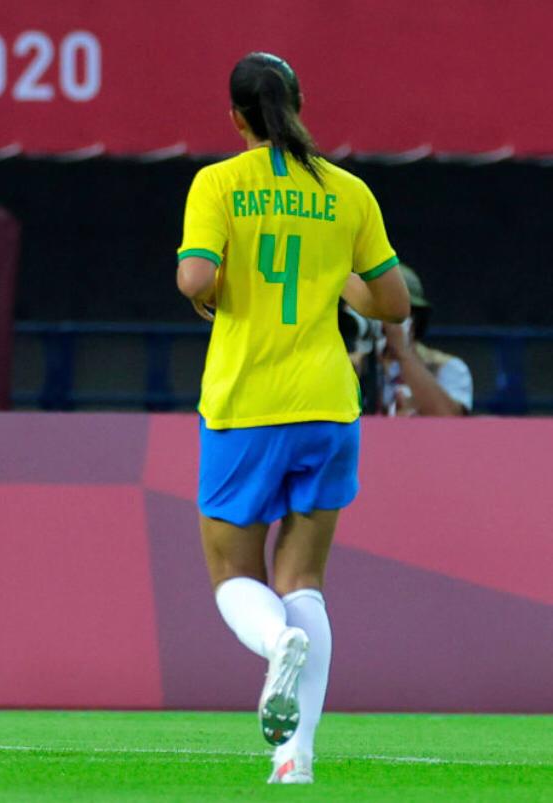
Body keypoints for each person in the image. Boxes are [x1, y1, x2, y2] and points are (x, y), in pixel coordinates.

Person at [175, 53, 409, 784]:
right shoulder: (347, 192)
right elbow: (394, 302)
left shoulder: (218, 183)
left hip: (247, 402)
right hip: (329, 403)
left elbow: (195, 277)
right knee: (303, 576)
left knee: (230, 571)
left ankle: (276, 643)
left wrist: (209, 293)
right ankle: (294, 759)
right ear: (301, 103)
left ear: (236, 117)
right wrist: (337, 281)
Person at [381, 264, 473, 416]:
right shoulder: (354, 367)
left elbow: (451, 421)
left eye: (396, 314)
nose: (384, 324)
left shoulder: (448, 368)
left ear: (415, 320)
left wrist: (403, 353)